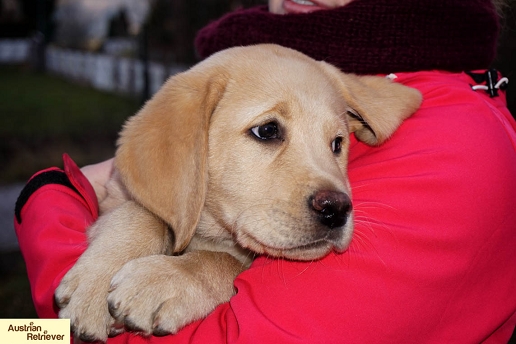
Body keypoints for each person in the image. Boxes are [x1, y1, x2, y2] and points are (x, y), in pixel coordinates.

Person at [15, 0, 516, 342]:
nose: (332, 192)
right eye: (269, 132)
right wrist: (138, 220)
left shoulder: (458, 152)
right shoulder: (304, 77)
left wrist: (53, 195)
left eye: (336, 144)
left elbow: (72, 333)